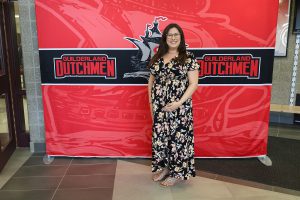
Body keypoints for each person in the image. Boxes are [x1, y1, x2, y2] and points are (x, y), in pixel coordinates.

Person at [148, 23, 200, 187]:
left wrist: (179, 102)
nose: (173, 37)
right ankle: (165, 168)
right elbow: (151, 80)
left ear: (181, 37)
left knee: (179, 140)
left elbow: (193, 83)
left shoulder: (188, 57)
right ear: (165, 38)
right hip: (159, 108)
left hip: (180, 108)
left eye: (176, 34)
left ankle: (177, 173)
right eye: (169, 35)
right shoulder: (157, 56)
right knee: (162, 139)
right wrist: (151, 103)